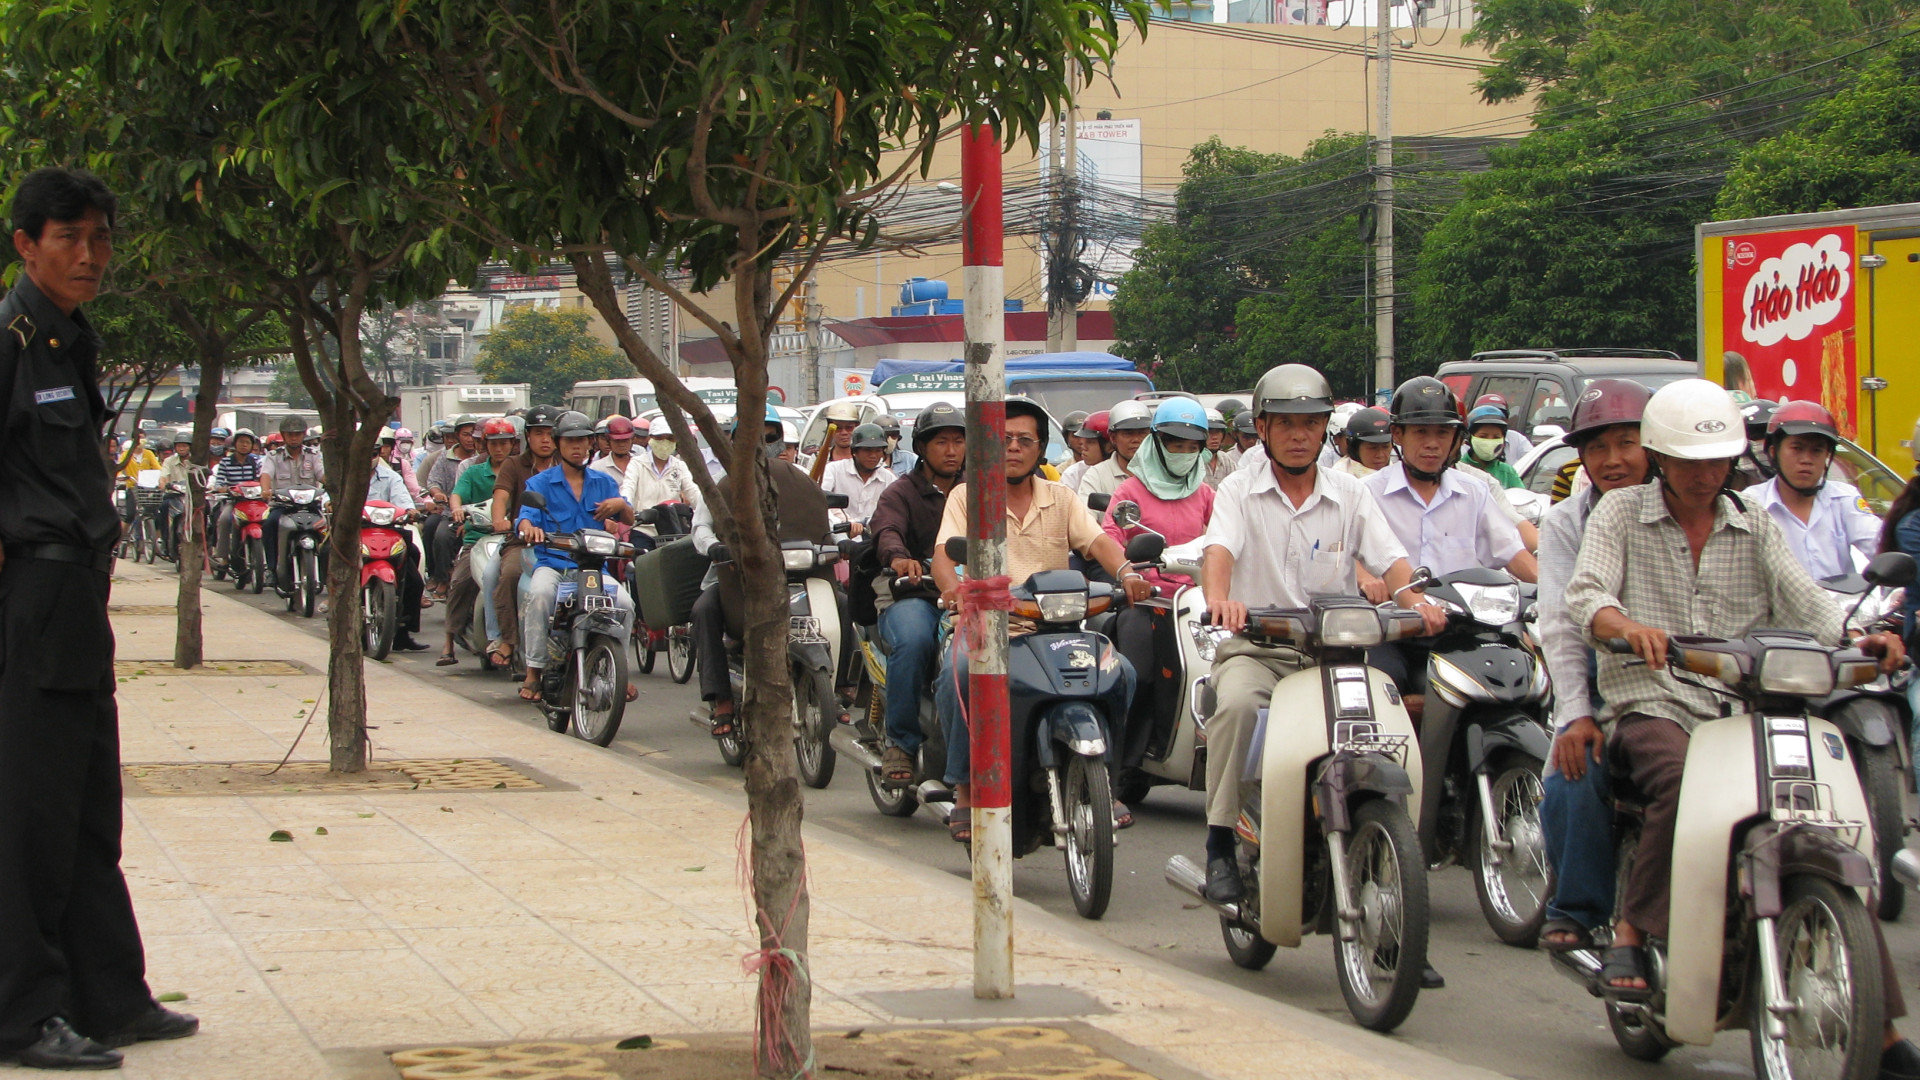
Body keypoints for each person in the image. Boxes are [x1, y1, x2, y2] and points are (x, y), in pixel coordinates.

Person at [1561, 379, 1911, 1047]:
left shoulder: (1754, 523)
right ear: (1662, 458)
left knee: (1816, 817)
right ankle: (1631, 931)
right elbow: (1587, 596)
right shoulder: (1621, 514)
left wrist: (1861, 638)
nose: (1705, 475)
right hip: (1652, 701)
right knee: (1681, 779)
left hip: (1744, 709)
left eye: (1717, 461)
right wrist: (1624, 625)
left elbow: (1811, 605)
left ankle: (1882, 1031)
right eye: (1690, 462)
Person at [0, 166, 197, 1070]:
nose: (90, 255)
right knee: (30, 815)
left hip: (76, 595)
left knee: (87, 808)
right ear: (25, 244)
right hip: (31, 598)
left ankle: (108, 995)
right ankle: (21, 1012)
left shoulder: (70, 339)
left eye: (101, 238)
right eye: (69, 238)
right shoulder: (12, 340)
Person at [1195, 364, 1446, 926]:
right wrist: (1220, 600)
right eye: (1286, 423)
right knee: (1236, 706)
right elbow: (1219, 552)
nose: (1299, 435)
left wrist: (1417, 603)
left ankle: (1397, 870)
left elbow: (1391, 560)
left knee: (1390, 727)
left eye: (1310, 423)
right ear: (1263, 428)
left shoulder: (1350, 493)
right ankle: (1219, 843)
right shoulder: (1238, 490)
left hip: (1336, 657)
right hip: (1259, 651)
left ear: (1325, 428)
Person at [928, 396, 1150, 843]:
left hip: (1058, 629)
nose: (1013, 447)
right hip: (990, 627)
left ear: (1041, 449)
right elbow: (942, 555)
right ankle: (966, 788)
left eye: (1024, 440)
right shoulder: (968, 496)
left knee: (1122, 672)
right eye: (1004, 439)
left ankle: (1107, 778)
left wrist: (1127, 573)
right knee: (961, 675)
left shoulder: (1062, 497)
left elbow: (1097, 543)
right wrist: (953, 589)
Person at [1532, 379, 1652, 952]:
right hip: (1605, 688)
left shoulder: (1718, 509)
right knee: (1571, 776)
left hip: (1698, 685)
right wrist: (1577, 713)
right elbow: (1561, 623)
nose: (1613, 460)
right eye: (1597, 447)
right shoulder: (1566, 523)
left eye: (1627, 443)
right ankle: (1578, 908)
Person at [1364, 376, 1536, 721]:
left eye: (1442, 433)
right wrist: (1367, 579)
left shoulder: (1474, 492)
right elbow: (1346, 551)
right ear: (1398, 435)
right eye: (1421, 432)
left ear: (1456, 438)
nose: (1432, 444)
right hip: (1391, 631)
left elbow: (1513, 554)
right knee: (1377, 691)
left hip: (1464, 629)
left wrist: (1554, 591)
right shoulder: (1367, 492)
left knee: (1522, 680)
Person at [1099, 398, 1216, 822]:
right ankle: (1119, 766)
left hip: (1198, 604)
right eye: (1174, 444)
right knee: (1139, 673)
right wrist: (1132, 574)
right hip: (1147, 602)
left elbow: (1226, 538)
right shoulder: (1130, 492)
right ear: (1157, 443)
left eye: (1192, 446)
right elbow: (1109, 537)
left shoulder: (1205, 493)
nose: (1183, 452)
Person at [690, 405, 836, 737]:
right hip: (733, 577)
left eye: (769, 437)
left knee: (842, 601)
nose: (762, 445)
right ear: (733, 442)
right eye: (752, 437)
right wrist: (714, 547)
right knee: (705, 610)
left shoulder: (800, 479)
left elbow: (825, 522)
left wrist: (843, 541)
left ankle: (841, 687)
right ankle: (722, 701)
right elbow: (700, 527)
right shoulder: (718, 484)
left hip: (796, 574)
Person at [867, 401, 966, 787]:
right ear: (922, 447)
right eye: (941, 442)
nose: (952, 451)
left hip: (971, 594)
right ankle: (901, 743)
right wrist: (898, 558)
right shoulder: (900, 492)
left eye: (958, 441)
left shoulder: (979, 489)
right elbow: (886, 528)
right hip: (915, 594)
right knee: (913, 641)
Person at [515, 411, 636, 701]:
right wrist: (529, 528)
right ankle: (533, 672)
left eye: (582, 440)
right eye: (570, 441)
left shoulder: (604, 482)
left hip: (593, 569)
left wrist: (620, 505)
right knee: (539, 596)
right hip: (553, 565)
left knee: (625, 604)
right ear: (559, 444)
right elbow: (526, 517)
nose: (577, 447)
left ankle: (620, 673)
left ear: (591, 443)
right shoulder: (540, 483)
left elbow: (629, 518)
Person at [1750, 400, 1880, 580]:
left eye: (1817, 450)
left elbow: (1880, 545)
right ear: (1773, 452)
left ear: (1827, 455)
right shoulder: (1752, 505)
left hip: (1844, 599)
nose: (1806, 459)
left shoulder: (1844, 498)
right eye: (1797, 448)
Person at [439, 418, 517, 666]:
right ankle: (448, 641)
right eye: (494, 443)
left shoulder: (519, 470)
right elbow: (457, 494)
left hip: (513, 540)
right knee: (460, 582)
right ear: (485, 445)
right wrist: (457, 509)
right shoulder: (473, 472)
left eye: (504, 443)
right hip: (478, 539)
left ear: (513, 444)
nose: (499, 449)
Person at [489, 406, 560, 669]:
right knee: (508, 575)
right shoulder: (513, 464)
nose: (545, 439)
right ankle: (508, 639)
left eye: (550, 433)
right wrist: (500, 518)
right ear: (527, 436)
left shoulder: (568, 465)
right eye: (538, 433)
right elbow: (501, 496)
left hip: (564, 542)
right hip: (523, 541)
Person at [367, 439, 429, 653]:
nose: (368, 458)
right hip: (355, 534)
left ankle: (403, 632)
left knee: (414, 577)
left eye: (373, 453)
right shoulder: (346, 476)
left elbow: (404, 501)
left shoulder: (391, 477)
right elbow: (329, 497)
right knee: (328, 552)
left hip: (388, 533)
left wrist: (410, 511)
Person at [263, 414, 325, 594]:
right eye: (290, 434)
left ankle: (326, 570)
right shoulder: (273, 456)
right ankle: (271, 569)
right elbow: (266, 474)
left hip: (310, 506)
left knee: (328, 528)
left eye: (297, 434)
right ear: (283, 435)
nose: (294, 438)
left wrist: (333, 485)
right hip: (283, 506)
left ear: (303, 435)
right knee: (269, 524)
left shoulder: (314, 455)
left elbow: (322, 475)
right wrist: (265, 490)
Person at [623, 416, 701, 531]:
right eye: (659, 438)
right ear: (650, 438)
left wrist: (707, 511)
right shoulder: (637, 464)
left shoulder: (679, 466)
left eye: (670, 438)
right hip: (643, 527)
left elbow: (693, 492)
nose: (665, 443)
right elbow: (628, 488)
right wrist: (627, 508)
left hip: (673, 528)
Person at [820, 423, 896, 537]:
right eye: (867, 450)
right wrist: (845, 523)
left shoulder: (889, 478)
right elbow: (821, 502)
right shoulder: (833, 470)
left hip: (873, 538)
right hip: (836, 534)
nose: (873, 455)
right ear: (855, 451)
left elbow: (895, 511)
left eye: (878, 451)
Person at [210, 428, 264, 574]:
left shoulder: (257, 461)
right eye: (241, 442)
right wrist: (224, 489)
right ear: (235, 444)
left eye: (247, 442)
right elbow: (219, 483)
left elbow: (262, 479)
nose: (244, 445)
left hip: (255, 502)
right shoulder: (225, 462)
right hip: (234, 502)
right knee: (224, 519)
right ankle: (223, 557)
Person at [1078, 399, 1151, 498]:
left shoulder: (1163, 471)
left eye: (1142, 433)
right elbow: (1086, 507)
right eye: (1128, 434)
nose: (1136, 440)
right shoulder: (1096, 476)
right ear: (1113, 438)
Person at [1458, 403, 1525, 489]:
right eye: (1483, 436)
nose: (1489, 441)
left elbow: (1520, 494)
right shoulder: (1458, 469)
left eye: (1496, 437)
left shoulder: (1507, 472)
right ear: (1470, 437)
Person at [1333, 406, 1392, 478]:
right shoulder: (1338, 479)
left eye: (1386, 447)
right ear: (1354, 448)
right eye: (1373, 448)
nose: (1380, 455)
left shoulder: (1399, 473)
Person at [1472, 394, 1534, 462]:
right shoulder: (1466, 444)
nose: (1492, 420)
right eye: (1483, 436)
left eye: (1496, 437)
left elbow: (1532, 460)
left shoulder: (1516, 438)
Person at [1061, 410, 1108, 493]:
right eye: (1075, 436)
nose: (1083, 445)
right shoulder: (1072, 474)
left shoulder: (1129, 471)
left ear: (1109, 445)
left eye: (1091, 442)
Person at [589, 415, 639, 488]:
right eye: (617, 441)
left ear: (632, 439)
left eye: (625, 440)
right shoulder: (597, 468)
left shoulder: (641, 464)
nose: (621, 444)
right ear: (608, 440)